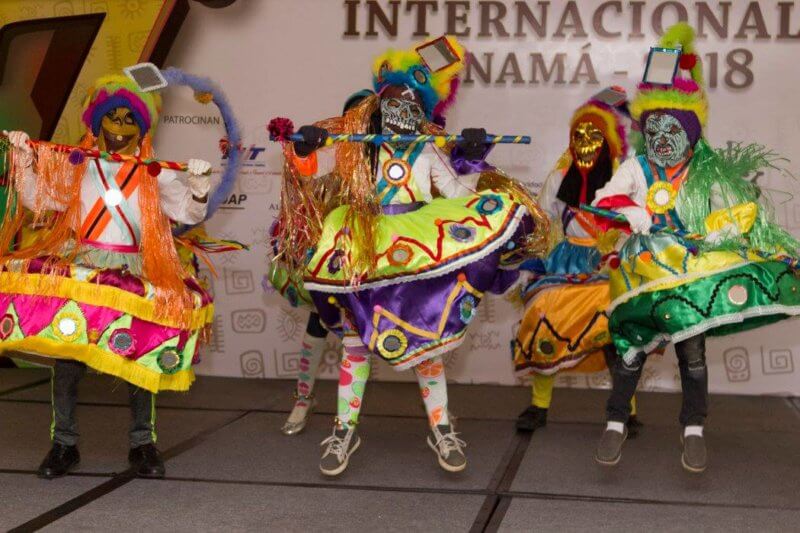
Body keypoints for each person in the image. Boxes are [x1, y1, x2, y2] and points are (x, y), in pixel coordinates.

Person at [272, 35, 548, 476]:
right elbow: (310, 174)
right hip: (364, 242)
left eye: (410, 104)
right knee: (355, 344)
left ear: (421, 111)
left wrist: (475, 159)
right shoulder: (358, 148)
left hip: (419, 249)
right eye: (392, 101)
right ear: (378, 105)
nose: (400, 110)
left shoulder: (427, 150)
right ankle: (344, 429)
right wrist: (304, 149)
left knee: (426, 348)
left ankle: (440, 427)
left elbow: (458, 194)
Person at [591, 23, 800, 473]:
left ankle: (694, 430)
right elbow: (601, 200)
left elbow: (738, 214)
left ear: (689, 131)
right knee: (630, 348)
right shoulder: (638, 165)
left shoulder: (708, 171)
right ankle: (615, 422)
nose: (663, 137)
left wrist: (734, 235)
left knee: (692, 351)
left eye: (673, 128)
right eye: (655, 128)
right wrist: (633, 213)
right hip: (643, 270)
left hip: (691, 271)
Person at [3, 74, 215, 479]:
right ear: (96, 123)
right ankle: (63, 445)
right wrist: (24, 159)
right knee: (66, 361)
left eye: (128, 120)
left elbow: (189, 214)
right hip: (82, 270)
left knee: (141, 359)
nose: (119, 129)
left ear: (141, 127)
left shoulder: (157, 172)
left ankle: (143, 445)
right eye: (111, 119)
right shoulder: (76, 166)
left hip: (134, 271)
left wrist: (199, 186)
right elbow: (37, 199)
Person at [514, 93, 640, 435]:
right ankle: (539, 407)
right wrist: (529, 267)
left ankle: (625, 410)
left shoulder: (623, 177)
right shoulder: (558, 179)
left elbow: (637, 223)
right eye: (579, 135)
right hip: (566, 261)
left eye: (594, 135)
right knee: (545, 322)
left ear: (608, 142)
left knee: (617, 334)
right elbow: (540, 225)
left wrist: (618, 252)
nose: (586, 143)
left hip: (609, 263)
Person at [267, 89, 375, 437]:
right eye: (352, 115)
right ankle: (303, 398)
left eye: (367, 115)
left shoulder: (393, 158)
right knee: (318, 323)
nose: (359, 120)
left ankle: (438, 415)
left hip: (382, 261)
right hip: (336, 262)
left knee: (409, 327)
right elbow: (303, 182)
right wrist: (302, 150)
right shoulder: (335, 158)